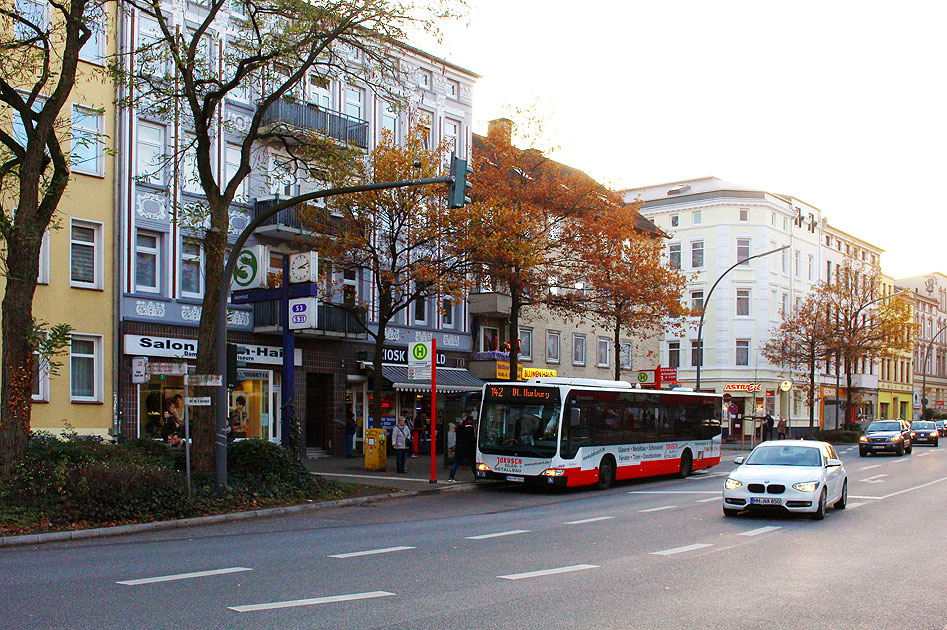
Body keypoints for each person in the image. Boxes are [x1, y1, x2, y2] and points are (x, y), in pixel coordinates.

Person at [449, 415, 476, 482]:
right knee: (473, 463)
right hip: (468, 449)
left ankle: (451, 477)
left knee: (456, 462)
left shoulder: (460, 427)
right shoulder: (470, 429)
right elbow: (471, 439)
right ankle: (476, 476)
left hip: (460, 448)